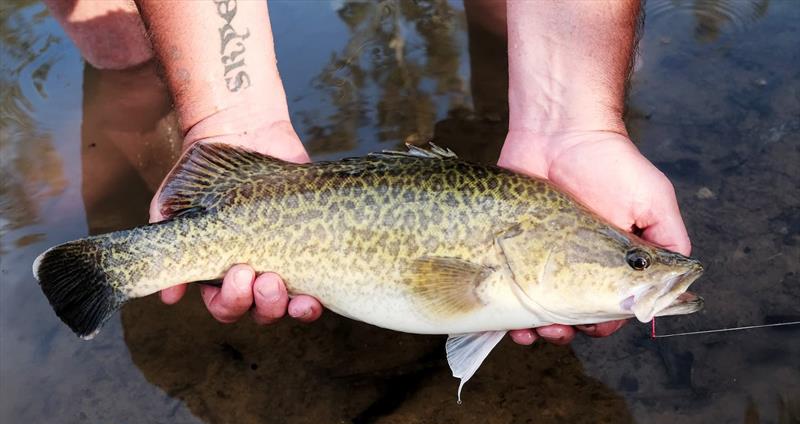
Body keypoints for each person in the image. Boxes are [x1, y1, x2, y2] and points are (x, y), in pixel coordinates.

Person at [46, 0, 691, 346]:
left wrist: (575, 119)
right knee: (119, 37)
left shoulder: (541, 221)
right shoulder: (523, 234)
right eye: (635, 260)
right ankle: (116, 259)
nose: (643, 264)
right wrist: (222, 112)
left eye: (632, 260)